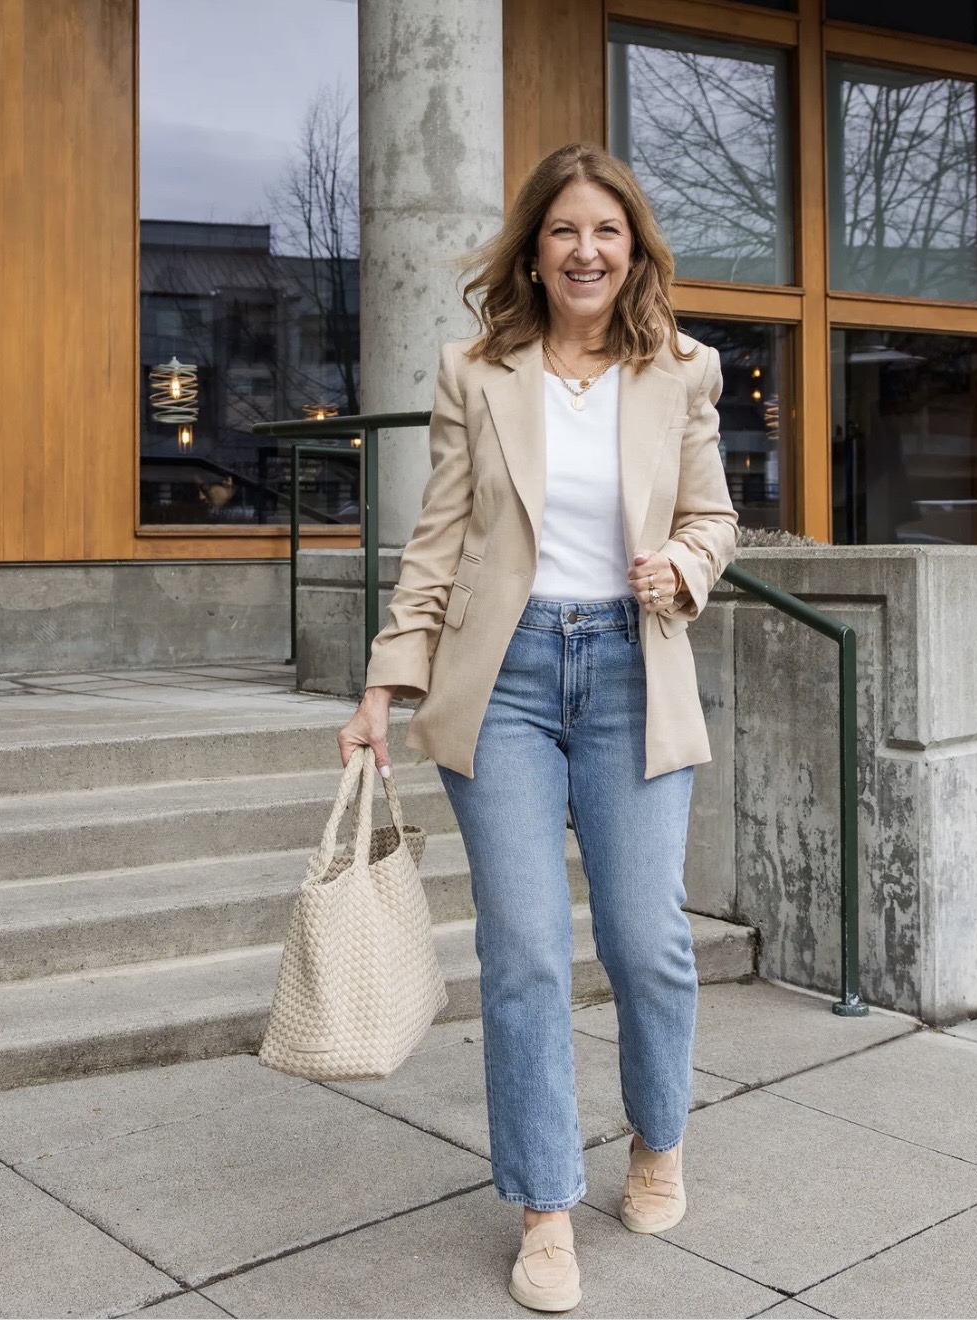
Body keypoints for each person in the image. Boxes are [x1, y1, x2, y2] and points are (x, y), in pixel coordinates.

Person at [337, 142, 738, 1313]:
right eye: (565, 230)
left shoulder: (682, 371)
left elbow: (715, 516)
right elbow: (439, 542)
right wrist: (385, 682)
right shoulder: (480, 372)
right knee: (521, 955)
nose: (586, 250)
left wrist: (684, 563)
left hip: (630, 672)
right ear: (535, 248)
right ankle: (545, 1206)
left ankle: (657, 1138)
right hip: (504, 683)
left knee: (645, 939)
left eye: (607, 232)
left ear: (634, 249)